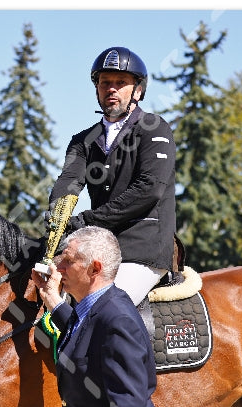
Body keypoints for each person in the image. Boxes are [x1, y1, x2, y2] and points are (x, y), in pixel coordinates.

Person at [31, 226, 173, 407]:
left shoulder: (117, 318)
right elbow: (83, 332)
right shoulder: (95, 309)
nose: (58, 267)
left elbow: (128, 404)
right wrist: (51, 298)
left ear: (94, 268)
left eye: (67, 260)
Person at [49, 46, 177, 306]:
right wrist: (56, 220)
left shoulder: (154, 128)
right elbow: (68, 184)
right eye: (105, 82)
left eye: (121, 82)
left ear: (138, 90)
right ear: (96, 88)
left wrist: (87, 220)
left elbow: (149, 189)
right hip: (99, 250)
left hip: (143, 250)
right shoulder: (83, 141)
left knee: (102, 306)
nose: (112, 89)